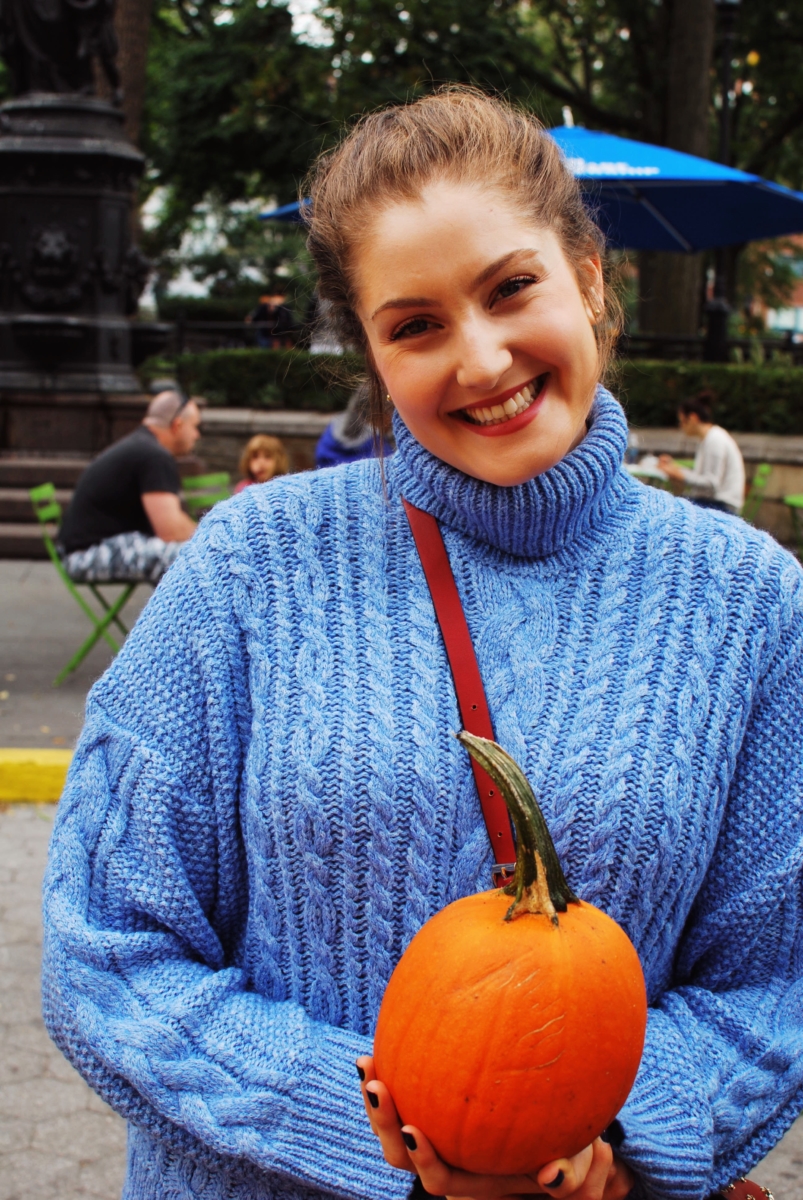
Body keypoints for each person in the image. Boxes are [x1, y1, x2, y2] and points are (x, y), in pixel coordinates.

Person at [42, 88, 803, 1200]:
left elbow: (773, 980)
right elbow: (104, 944)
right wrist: (385, 1128)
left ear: (587, 277)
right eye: (415, 325)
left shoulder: (750, 604)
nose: (483, 359)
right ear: (368, 353)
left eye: (511, 289)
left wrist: (606, 1138)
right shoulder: (251, 564)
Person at [58, 390, 201, 583]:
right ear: (177, 425)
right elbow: (171, 531)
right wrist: (210, 537)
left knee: (179, 552)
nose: (197, 435)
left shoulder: (141, 447)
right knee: (191, 557)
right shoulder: (154, 456)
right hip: (86, 556)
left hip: (84, 550)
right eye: (195, 427)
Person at [658, 393, 745, 514]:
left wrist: (680, 475)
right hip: (714, 502)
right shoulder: (709, 438)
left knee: (668, 509)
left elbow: (711, 484)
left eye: (682, 421)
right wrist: (676, 469)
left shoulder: (715, 440)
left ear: (693, 418)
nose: (681, 426)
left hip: (722, 505)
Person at [315, 384, 395, 468]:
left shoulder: (334, 427)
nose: (392, 420)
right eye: (391, 412)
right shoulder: (376, 447)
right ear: (379, 414)